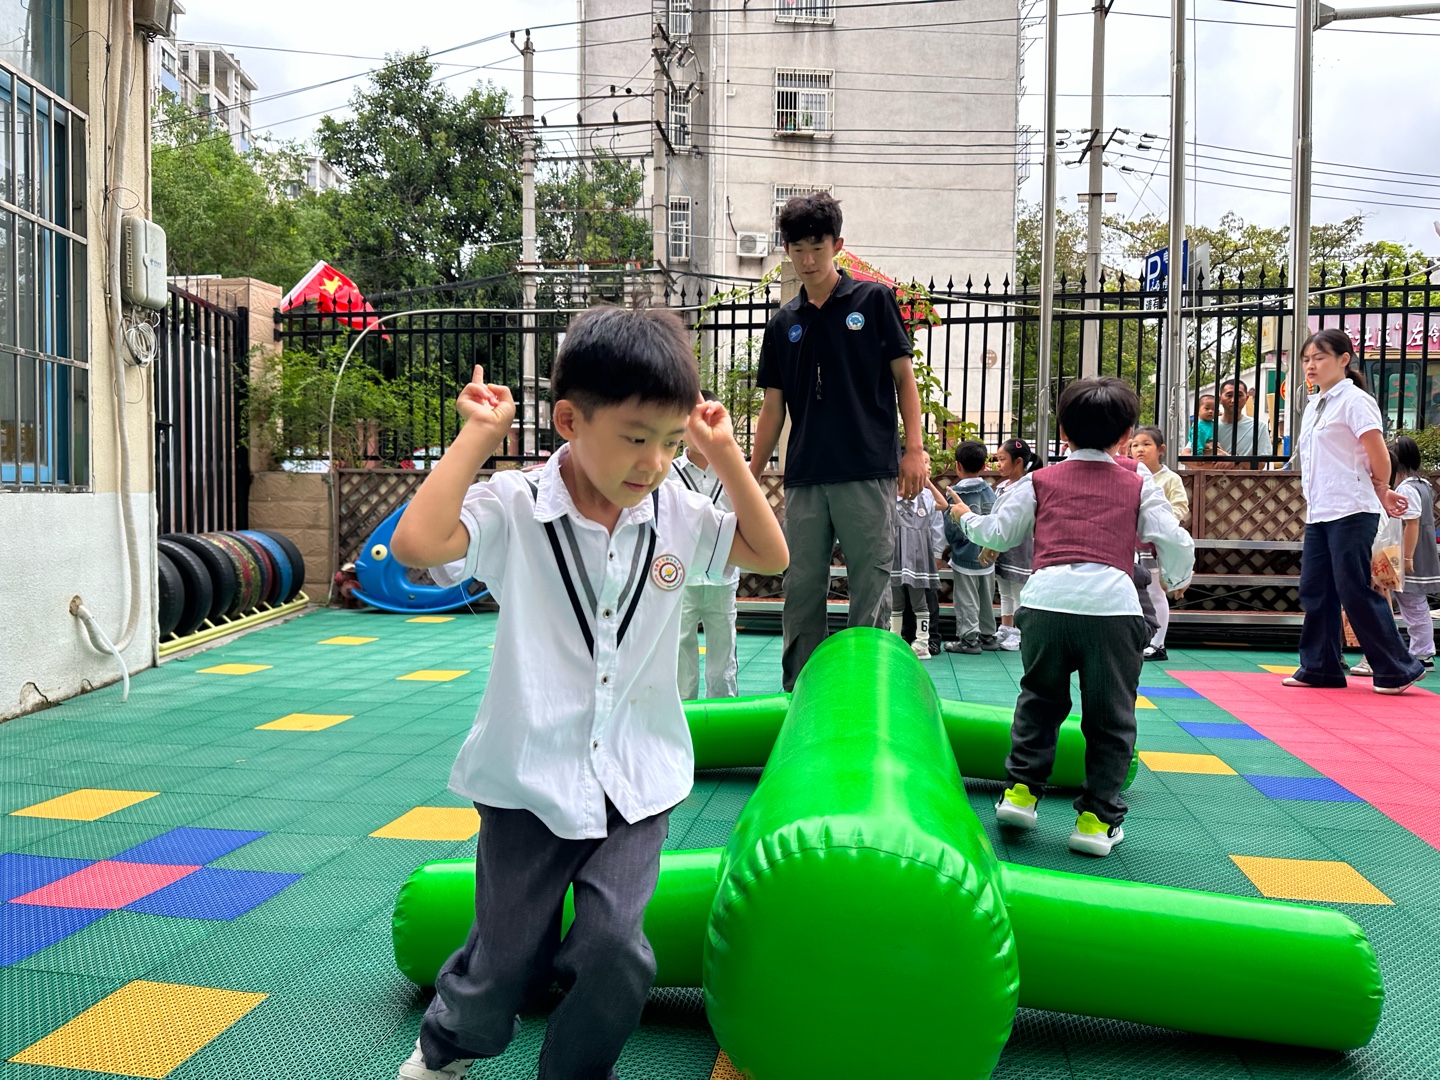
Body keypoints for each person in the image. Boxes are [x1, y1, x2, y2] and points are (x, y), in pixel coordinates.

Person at [388, 307, 788, 1080]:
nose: (654, 463)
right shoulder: (518, 505)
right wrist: (477, 437)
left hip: (635, 779)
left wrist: (725, 455)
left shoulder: (677, 513)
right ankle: (447, 1050)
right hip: (527, 779)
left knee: (616, 951)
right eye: (636, 439)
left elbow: (769, 554)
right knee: (506, 958)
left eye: (670, 442)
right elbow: (417, 545)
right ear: (570, 421)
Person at [949, 378, 1194, 857]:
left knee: (1039, 701)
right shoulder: (1137, 480)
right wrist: (1176, 577)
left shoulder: (1040, 480)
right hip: (1112, 608)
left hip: (1044, 603)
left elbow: (998, 534)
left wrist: (964, 517)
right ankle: (1095, 821)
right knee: (1111, 717)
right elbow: (1172, 538)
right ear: (1125, 436)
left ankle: (1021, 793)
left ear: (1063, 432)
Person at [750, 191, 929, 692]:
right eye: (798, 249)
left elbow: (905, 379)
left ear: (837, 245)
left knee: (870, 584)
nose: (808, 260)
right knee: (800, 586)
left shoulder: (872, 302)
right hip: (806, 475)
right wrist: (748, 474)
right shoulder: (783, 323)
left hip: (867, 469)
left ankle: (865, 689)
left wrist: (914, 450)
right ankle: (801, 690)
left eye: (817, 247)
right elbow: (772, 408)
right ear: (787, 250)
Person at [1283, 328, 1425, 695]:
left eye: (1319, 358)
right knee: (1316, 590)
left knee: (1355, 589)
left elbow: (1378, 452)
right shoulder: (1315, 404)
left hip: (1352, 508)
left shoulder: (1355, 401)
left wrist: (1382, 490)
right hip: (1321, 511)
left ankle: (1397, 669)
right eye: (1306, 359)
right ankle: (1320, 668)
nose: (1310, 366)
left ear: (1344, 360)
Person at [668, 390, 742, 699]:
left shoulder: (733, 471)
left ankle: (724, 707)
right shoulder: (668, 473)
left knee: (723, 647)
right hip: (679, 576)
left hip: (723, 575)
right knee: (679, 645)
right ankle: (682, 709)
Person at [1352, 436, 1438, 674]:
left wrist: (1407, 558)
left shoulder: (1407, 488)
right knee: (1413, 603)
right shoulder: (1424, 485)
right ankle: (1420, 650)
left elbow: (1411, 523)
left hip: (1409, 553)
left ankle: (1422, 652)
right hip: (1419, 550)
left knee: (1413, 603)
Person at [1129, 425, 1190, 662]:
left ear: (1160, 449)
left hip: (1154, 544)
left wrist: (1161, 522)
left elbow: (1180, 507)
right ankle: (1138, 639)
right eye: (1135, 445)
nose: (1140, 449)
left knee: (1154, 591)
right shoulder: (1129, 474)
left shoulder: (1170, 478)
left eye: (1146, 444)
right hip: (1131, 540)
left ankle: (1158, 643)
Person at [939, 440, 1000, 654]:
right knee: (986, 597)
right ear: (984, 466)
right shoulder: (991, 492)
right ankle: (988, 635)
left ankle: (969, 639)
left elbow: (950, 531)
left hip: (964, 556)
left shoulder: (955, 494)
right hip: (988, 555)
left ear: (957, 465)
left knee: (966, 599)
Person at [987, 438, 1036, 652]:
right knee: (1004, 589)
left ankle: (1019, 633)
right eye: (998, 459)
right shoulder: (1001, 487)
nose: (999, 464)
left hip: (1019, 545)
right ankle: (1006, 628)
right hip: (1002, 544)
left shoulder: (1026, 487)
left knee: (1018, 590)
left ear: (1018, 462)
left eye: (1002, 459)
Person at [891, 473, 944, 661]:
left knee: (920, 602)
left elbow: (943, 504)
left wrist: (927, 482)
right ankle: (895, 639)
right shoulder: (891, 500)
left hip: (918, 559)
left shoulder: (924, 500)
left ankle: (922, 642)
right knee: (896, 602)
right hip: (896, 558)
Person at [1212, 378, 1273, 465]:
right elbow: (1193, 459)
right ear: (1220, 399)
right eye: (1229, 395)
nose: (1234, 400)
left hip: (1244, 475)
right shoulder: (1208, 426)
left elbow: (1261, 464)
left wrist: (1234, 460)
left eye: (1239, 395)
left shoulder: (1258, 427)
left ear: (1247, 398)